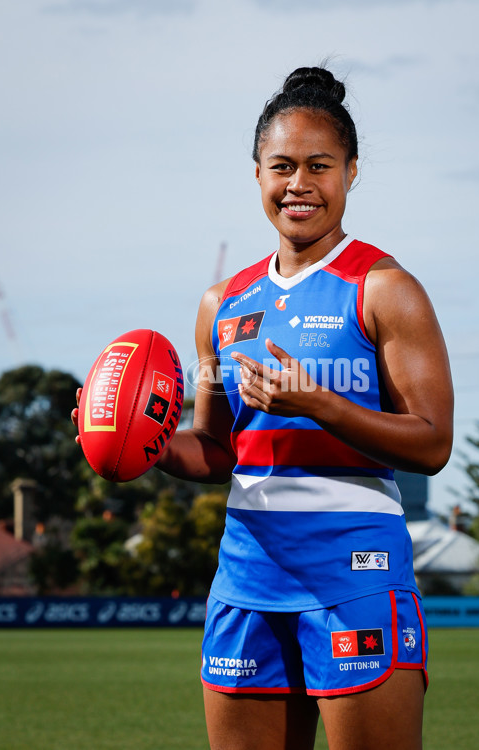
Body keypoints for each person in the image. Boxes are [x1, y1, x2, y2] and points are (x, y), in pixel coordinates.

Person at [74, 65, 453, 750]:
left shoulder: (386, 290)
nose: (299, 185)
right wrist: (134, 440)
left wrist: (318, 403)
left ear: (352, 171)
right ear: (256, 174)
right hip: (247, 581)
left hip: (356, 579)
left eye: (320, 166)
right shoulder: (223, 305)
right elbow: (217, 450)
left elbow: (432, 443)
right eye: (282, 166)